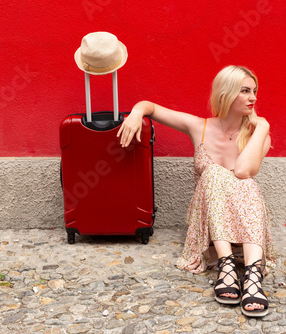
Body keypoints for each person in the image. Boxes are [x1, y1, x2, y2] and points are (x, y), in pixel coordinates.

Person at [117, 65, 276, 317]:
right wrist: (137, 112)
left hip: (246, 223)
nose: (253, 98)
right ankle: (226, 267)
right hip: (210, 226)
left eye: (254, 91)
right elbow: (152, 107)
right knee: (213, 173)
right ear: (225, 94)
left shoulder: (258, 135)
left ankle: (253, 274)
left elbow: (245, 171)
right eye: (245, 91)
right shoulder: (199, 126)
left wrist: (263, 127)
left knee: (244, 181)